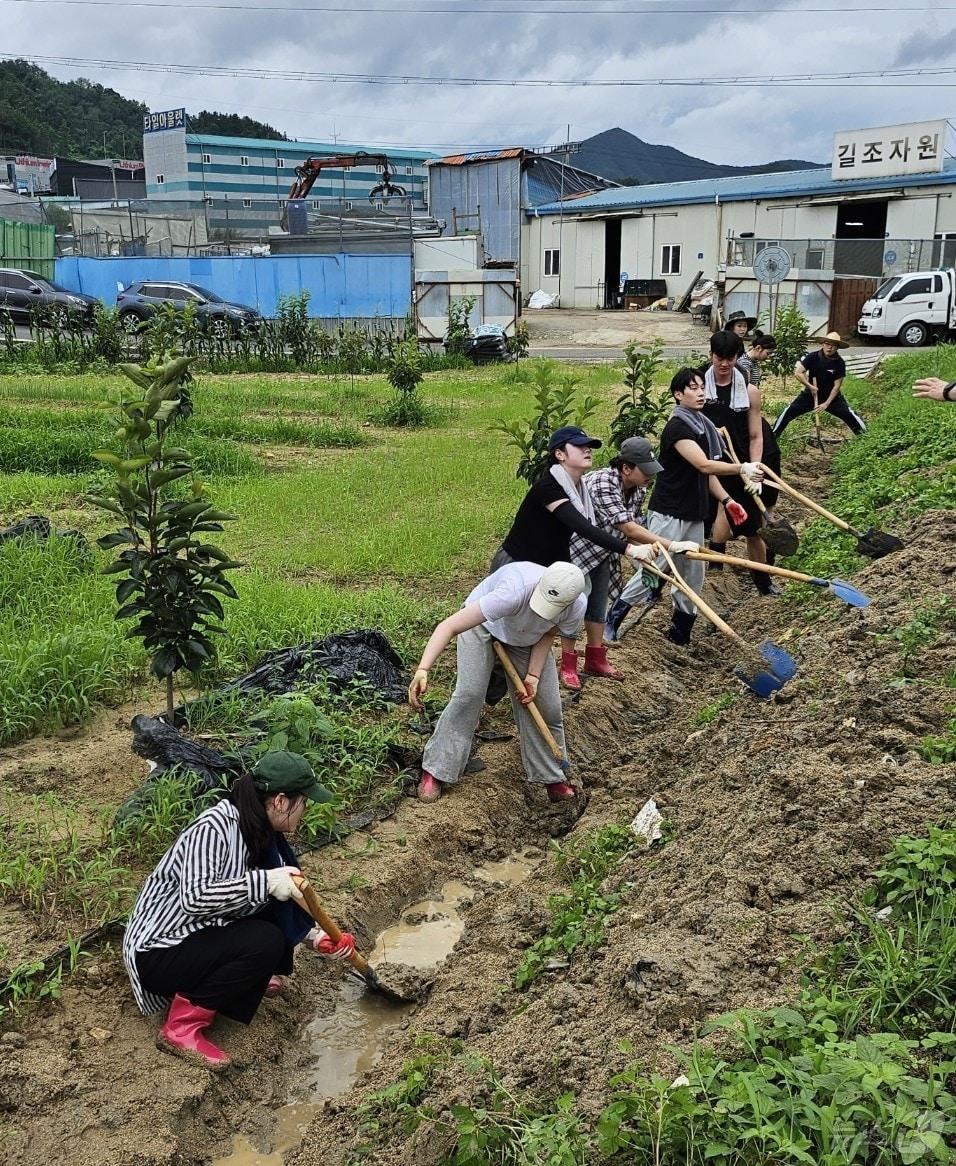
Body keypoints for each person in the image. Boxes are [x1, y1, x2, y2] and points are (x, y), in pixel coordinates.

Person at [123, 751, 357, 1070]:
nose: (304, 811)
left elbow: (278, 896)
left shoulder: (258, 832)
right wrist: (265, 882)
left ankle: (243, 981)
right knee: (265, 942)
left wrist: (316, 938)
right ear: (279, 801)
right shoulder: (214, 828)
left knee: (270, 922)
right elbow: (196, 898)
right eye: (303, 802)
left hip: (199, 934)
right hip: (160, 950)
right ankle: (180, 1028)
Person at [409, 560, 587, 804]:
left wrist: (533, 676)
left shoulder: (576, 606)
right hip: (484, 626)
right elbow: (449, 626)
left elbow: (548, 633)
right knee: (469, 695)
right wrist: (422, 669)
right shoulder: (514, 591)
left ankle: (552, 776)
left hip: (528, 639)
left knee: (547, 707)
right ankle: (436, 770)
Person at [605, 368, 761, 646]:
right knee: (654, 570)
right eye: (693, 388)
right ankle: (612, 621)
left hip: (695, 513)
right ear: (678, 394)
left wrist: (727, 500)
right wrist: (743, 468)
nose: (701, 392)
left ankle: (680, 636)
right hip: (670, 511)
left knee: (692, 577)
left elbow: (707, 474)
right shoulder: (678, 428)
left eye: (702, 387)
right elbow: (703, 464)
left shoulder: (703, 425)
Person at [494, 426, 653, 690]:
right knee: (504, 632)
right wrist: (629, 549)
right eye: (579, 446)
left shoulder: (579, 489)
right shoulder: (549, 488)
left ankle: (506, 690)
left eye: (588, 445)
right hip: (515, 566)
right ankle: (478, 698)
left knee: (529, 631)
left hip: (544, 566)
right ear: (560, 454)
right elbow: (584, 528)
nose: (587, 450)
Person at [568, 436, 695, 678]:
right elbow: (627, 528)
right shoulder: (603, 482)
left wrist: (646, 558)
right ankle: (568, 664)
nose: (650, 476)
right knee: (575, 605)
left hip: (605, 548)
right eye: (645, 470)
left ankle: (595, 658)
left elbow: (636, 526)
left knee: (597, 605)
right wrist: (672, 545)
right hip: (577, 549)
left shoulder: (638, 488)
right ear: (626, 468)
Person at [702, 330, 781, 597]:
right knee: (724, 509)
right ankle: (715, 571)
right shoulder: (700, 390)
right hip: (717, 461)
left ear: (737, 357)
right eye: (719, 358)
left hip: (749, 459)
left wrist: (755, 469)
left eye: (730, 358)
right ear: (711, 355)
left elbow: (756, 435)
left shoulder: (749, 392)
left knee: (755, 524)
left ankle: (763, 582)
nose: (724, 364)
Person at [772, 332, 866, 437]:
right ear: (823, 344)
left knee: (850, 416)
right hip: (810, 395)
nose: (829, 347)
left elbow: (837, 386)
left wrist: (826, 404)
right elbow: (798, 373)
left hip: (832, 398)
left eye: (833, 345)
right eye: (827, 344)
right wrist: (810, 386)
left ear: (837, 347)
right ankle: (773, 436)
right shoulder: (813, 357)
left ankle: (866, 438)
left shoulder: (839, 363)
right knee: (788, 412)